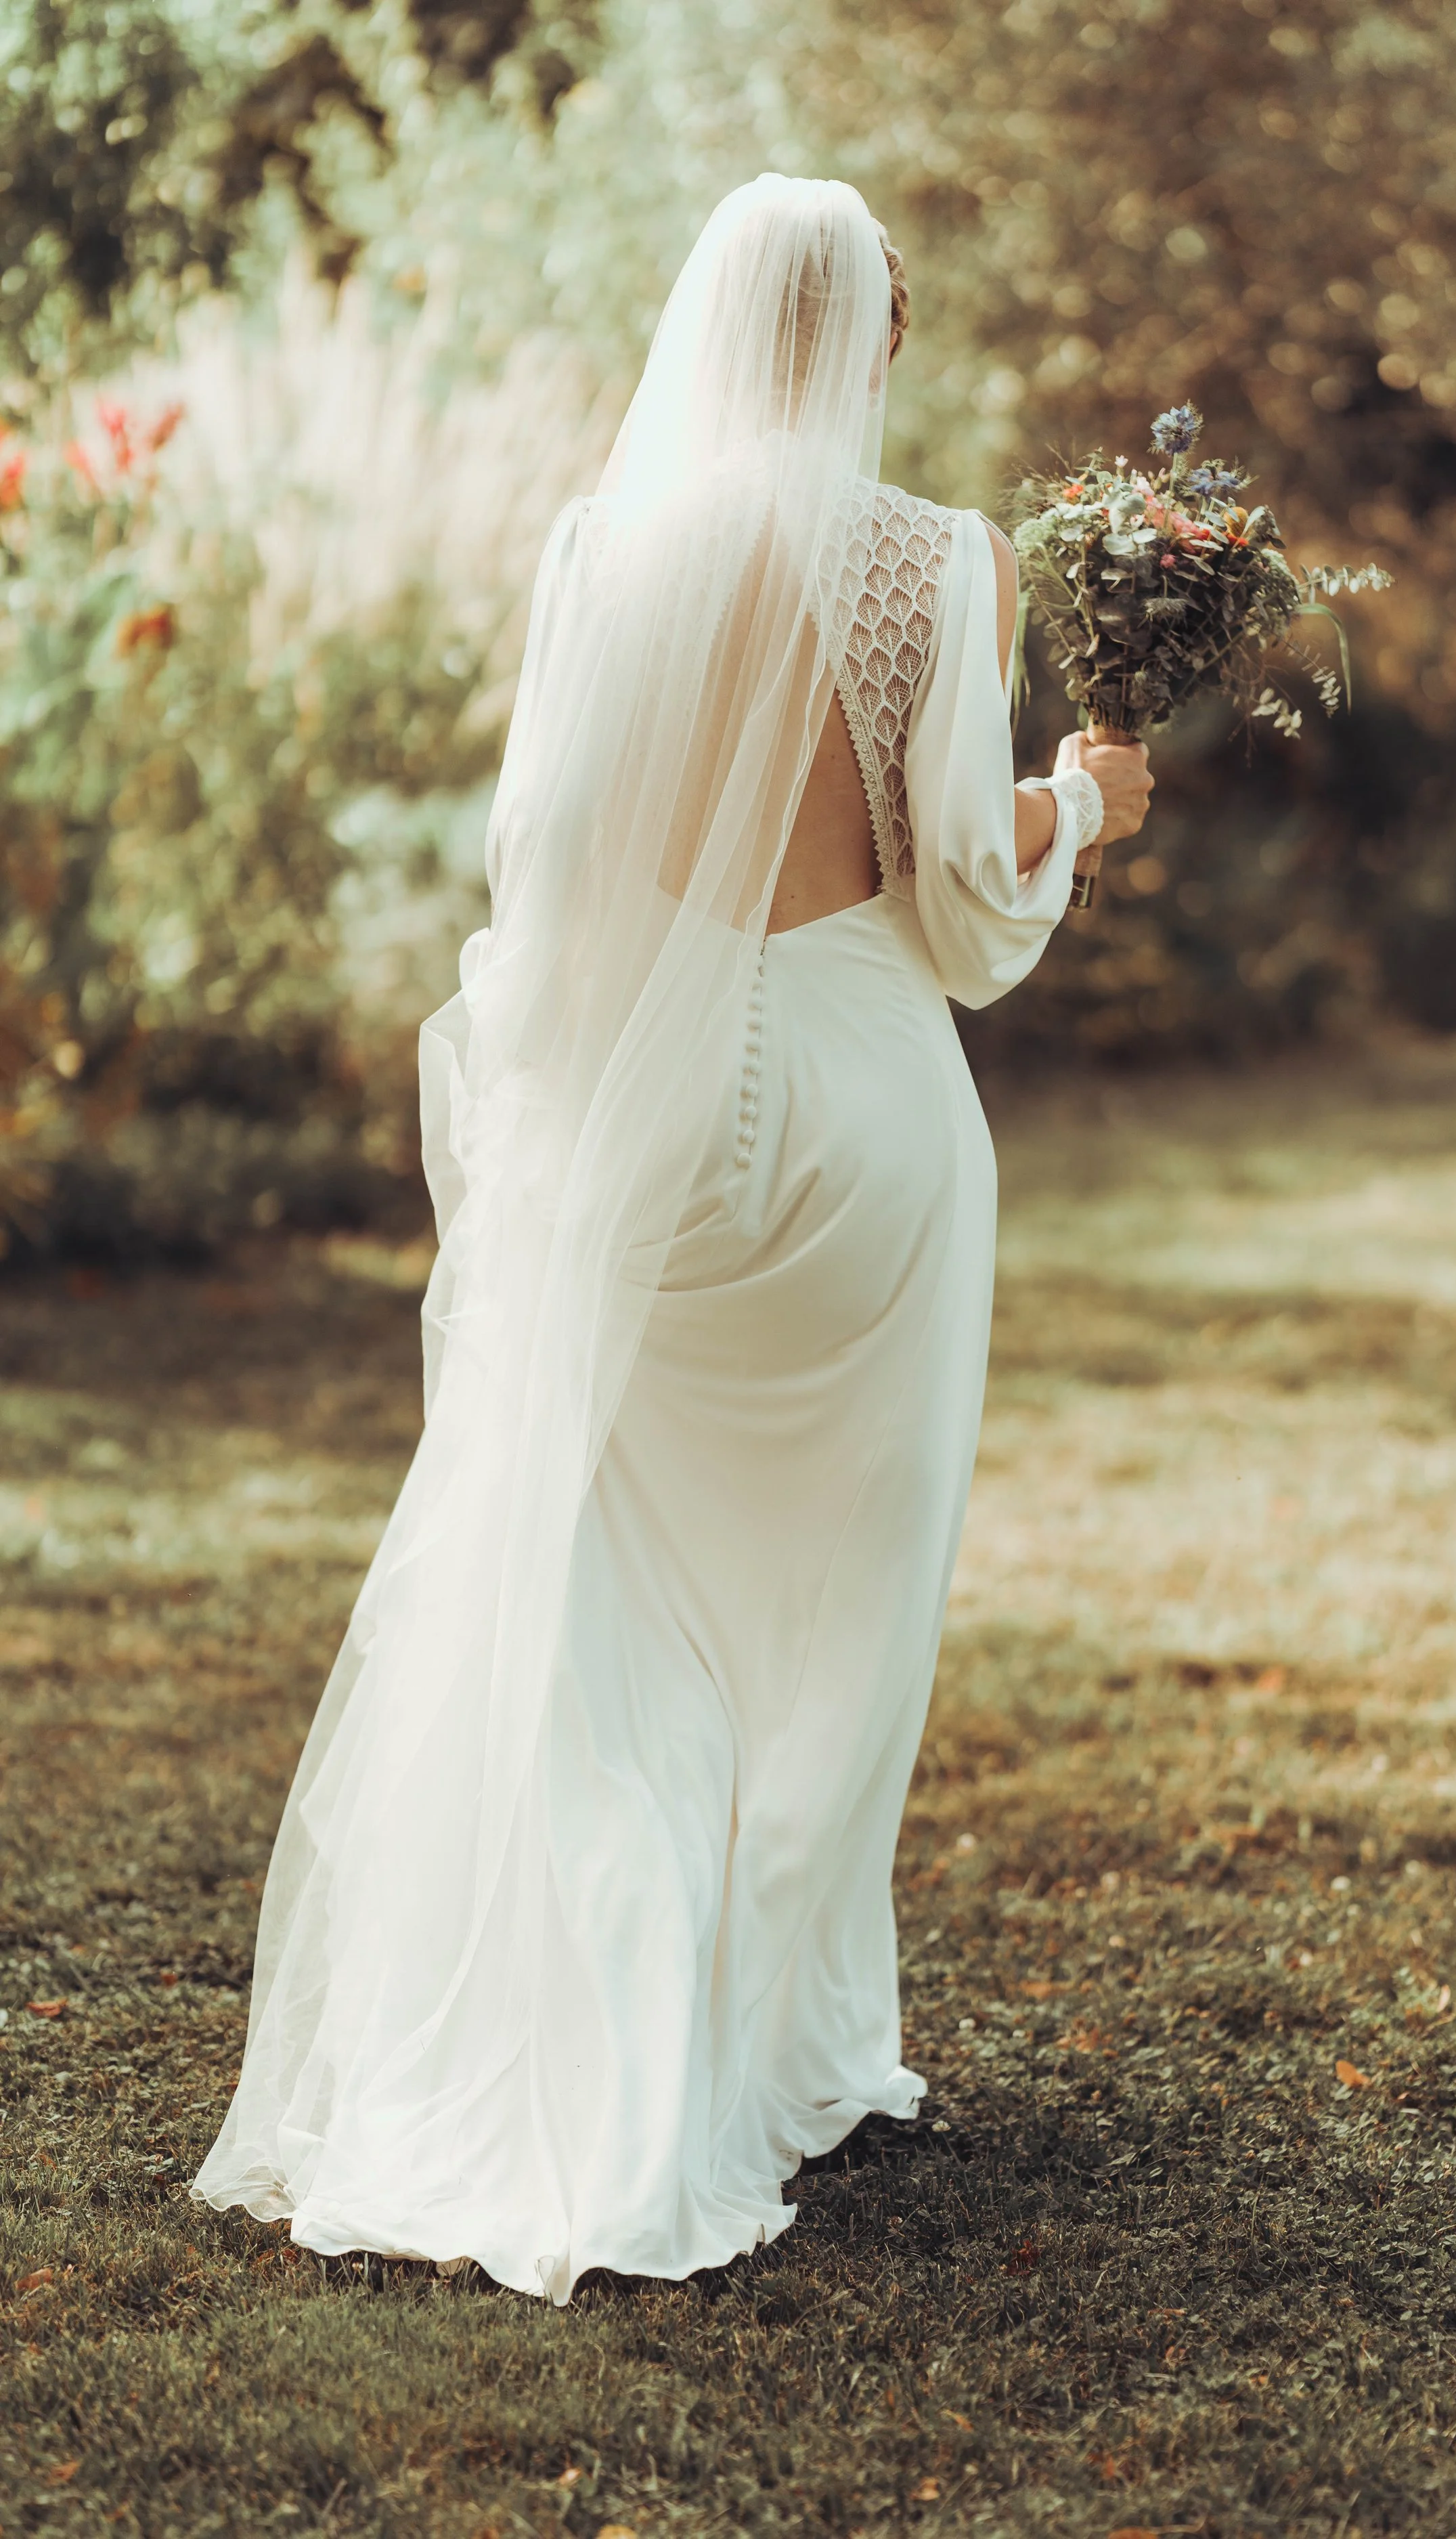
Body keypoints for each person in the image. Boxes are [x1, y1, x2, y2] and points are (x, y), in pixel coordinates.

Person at [193, 173, 1153, 2302]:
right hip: (865, 1107)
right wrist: (1079, 802)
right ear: (872, 340)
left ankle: (612, 2028)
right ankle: (773, 2043)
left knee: (601, 1573)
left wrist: (556, 1099)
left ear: (712, 327)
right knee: (838, 1597)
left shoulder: (595, 549)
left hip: (645, 1109)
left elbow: (545, 856)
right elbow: (957, 899)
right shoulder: (942, 561)